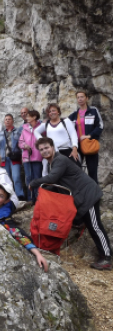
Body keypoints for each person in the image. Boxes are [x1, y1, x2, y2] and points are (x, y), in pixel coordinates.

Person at [30, 137, 112, 270]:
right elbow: (55, 184)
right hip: (81, 198)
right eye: (41, 149)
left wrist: (33, 183)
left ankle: (107, 258)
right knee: (89, 225)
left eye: (46, 147)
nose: (44, 151)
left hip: (88, 195)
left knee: (95, 226)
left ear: (52, 147)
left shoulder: (60, 159)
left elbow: (52, 178)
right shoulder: (54, 163)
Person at [68, 91, 103, 183]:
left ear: (87, 98)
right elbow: (64, 126)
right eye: (78, 97)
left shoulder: (93, 111)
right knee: (76, 170)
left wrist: (89, 136)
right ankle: (81, 194)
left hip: (89, 144)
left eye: (82, 97)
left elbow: (100, 126)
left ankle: (95, 196)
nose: (80, 99)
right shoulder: (74, 115)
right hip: (78, 146)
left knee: (92, 171)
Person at [0, 114, 25, 200]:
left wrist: (22, 155)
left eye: (9, 119)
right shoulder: (0, 133)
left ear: (12, 121)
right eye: (6, 119)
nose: (7, 121)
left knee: (16, 177)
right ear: (4, 122)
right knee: (7, 179)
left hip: (15, 158)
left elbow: (21, 143)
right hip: (4, 159)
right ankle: (9, 196)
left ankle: (20, 195)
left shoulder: (18, 132)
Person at [19, 110, 43, 203]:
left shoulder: (41, 127)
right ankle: (30, 199)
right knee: (28, 177)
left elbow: (44, 140)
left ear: (34, 117)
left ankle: (38, 198)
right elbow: (20, 141)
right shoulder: (24, 128)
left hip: (37, 156)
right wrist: (24, 145)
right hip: (27, 156)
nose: (27, 118)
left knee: (37, 177)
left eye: (29, 116)